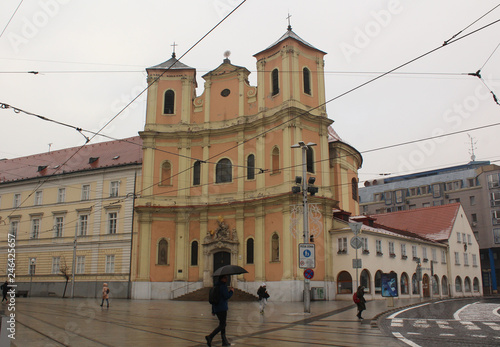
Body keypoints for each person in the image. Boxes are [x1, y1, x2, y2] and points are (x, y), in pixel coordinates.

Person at [205, 275, 233, 347]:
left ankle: (224, 341)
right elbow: (227, 296)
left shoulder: (215, 286)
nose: (227, 279)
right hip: (222, 308)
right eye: (225, 278)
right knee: (223, 325)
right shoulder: (223, 287)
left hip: (216, 308)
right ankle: (210, 337)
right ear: (222, 279)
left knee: (223, 324)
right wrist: (231, 291)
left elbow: (214, 298)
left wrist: (213, 310)